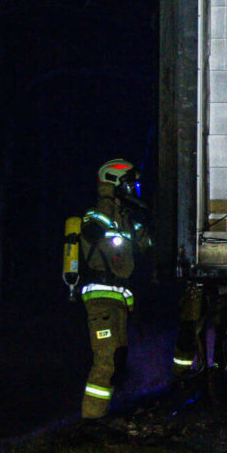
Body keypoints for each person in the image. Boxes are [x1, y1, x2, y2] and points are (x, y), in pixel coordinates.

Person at [76, 159, 151, 421]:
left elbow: (147, 247)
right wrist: (110, 198)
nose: (134, 189)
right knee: (106, 361)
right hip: (100, 302)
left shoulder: (128, 222)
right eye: (130, 184)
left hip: (118, 302)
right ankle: (90, 422)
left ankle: (102, 416)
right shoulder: (96, 217)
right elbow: (100, 235)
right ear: (114, 182)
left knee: (117, 360)